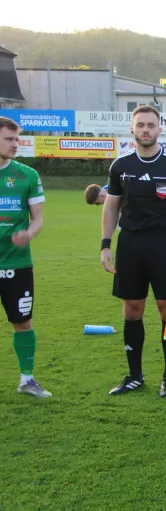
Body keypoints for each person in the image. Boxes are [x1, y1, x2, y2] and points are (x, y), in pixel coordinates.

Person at [100, 105, 166, 398]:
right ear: (132, 129)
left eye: (151, 125)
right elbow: (111, 206)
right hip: (129, 244)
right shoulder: (120, 165)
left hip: (165, 245)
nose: (145, 130)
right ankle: (135, 375)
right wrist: (106, 244)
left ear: (159, 130)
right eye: (140, 125)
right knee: (132, 310)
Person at [0, 117, 51, 398]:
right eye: (9, 139)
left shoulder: (27, 175)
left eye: (17, 139)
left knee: (22, 322)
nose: (15, 144)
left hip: (17, 264)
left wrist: (28, 235)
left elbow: (38, 220)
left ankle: (27, 379)